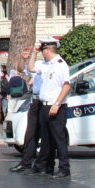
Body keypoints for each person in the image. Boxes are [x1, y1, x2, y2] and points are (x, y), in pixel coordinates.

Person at [30, 38, 72, 179]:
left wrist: (57, 104)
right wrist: (34, 54)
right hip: (44, 105)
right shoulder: (47, 64)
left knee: (58, 138)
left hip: (56, 106)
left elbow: (66, 86)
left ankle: (64, 168)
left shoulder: (60, 65)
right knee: (46, 138)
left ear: (48, 50)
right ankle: (47, 167)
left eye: (42, 50)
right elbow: (31, 68)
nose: (42, 53)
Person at [10, 47, 45, 174]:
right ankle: (26, 162)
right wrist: (24, 58)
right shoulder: (35, 66)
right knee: (30, 134)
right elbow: (21, 69)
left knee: (47, 134)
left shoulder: (48, 65)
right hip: (35, 101)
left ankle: (44, 164)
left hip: (46, 101)